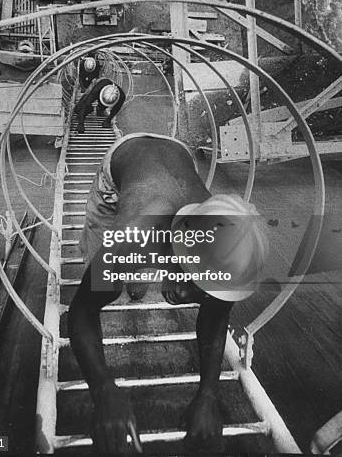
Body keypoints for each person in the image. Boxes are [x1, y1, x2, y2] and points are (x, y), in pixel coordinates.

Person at [68, 133, 269, 454]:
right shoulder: (131, 236)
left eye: (201, 291)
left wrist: (208, 396)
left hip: (176, 155)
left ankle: (134, 275)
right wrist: (103, 389)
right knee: (104, 283)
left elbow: (217, 315)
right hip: (124, 163)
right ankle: (127, 275)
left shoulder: (218, 247)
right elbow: (81, 310)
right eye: (186, 277)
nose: (181, 294)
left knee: (129, 276)